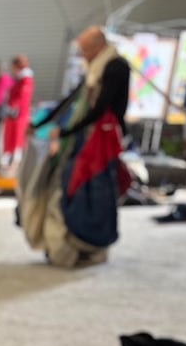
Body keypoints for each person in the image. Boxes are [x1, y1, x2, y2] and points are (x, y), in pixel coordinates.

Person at [19, 26, 130, 268]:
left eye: (85, 50)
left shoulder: (115, 67)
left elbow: (100, 108)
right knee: (62, 186)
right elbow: (71, 100)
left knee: (90, 192)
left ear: (98, 47)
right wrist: (40, 124)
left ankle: (90, 245)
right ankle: (64, 244)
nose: (82, 55)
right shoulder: (93, 70)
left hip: (101, 145)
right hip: (80, 139)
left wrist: (67, 130)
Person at [3, 55, 35, 169]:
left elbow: (22, 98)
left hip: (18, 115)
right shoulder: (19, 80)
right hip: (14, 115)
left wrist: (13, 107)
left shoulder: (25, 80)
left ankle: (14, 164)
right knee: (11, 139)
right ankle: (10, 162)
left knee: (17, 139)